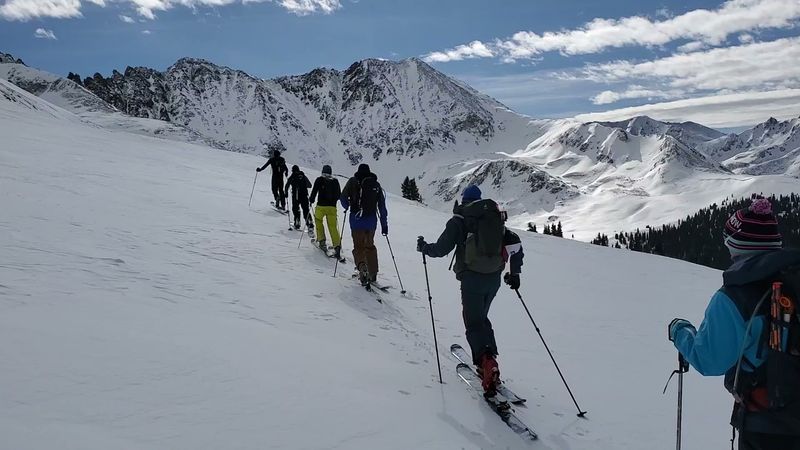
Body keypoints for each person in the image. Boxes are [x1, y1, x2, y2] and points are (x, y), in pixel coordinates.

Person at [668, 197, 800, 450]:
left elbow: (709, 360)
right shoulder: (793, 279)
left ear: (738, 246)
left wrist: (680, 331)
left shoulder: (735, 297)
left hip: (770, 426)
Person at [416, 185, 524, 396]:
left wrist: (424, 247)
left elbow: (440, 249)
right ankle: (488, 358)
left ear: (464, 201)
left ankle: (487, 363)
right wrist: (515, 273)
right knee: (481, 318)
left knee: (473, 322)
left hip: (472, 279)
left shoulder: (460, 220)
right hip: (494, 278)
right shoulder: (494, 219)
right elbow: (516, 246)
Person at [340, 164, 388, 286]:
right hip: (371, 222)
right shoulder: (375, 184)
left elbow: (343, 198)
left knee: (358, 247)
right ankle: (373, 273)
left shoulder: (352, 181)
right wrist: (384, 224)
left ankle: (362, 268)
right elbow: (382, 206)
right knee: (370, 246)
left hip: (356, 221)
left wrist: (347, 207)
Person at [310, 165, 342, 258]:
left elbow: (314, 192)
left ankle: (322, 242)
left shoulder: (319, 180)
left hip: (321, 206)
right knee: (333, 227)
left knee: (318, 221)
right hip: (332, 207)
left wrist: (311, 200)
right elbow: (339, 195)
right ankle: (337, 246)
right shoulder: (335, 181)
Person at [284, 165, 313, 230]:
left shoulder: (292, 176)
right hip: (304, 195)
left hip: (296, 196)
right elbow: (310, 185)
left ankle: (297, 222)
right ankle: (309, 221)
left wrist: (286, 193)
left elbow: (287, 185)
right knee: (306, 209)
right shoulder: (303, 176)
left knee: (296, 209)